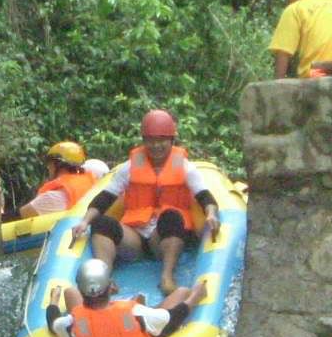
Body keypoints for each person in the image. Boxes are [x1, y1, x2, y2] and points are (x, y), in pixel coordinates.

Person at [70, 109, 220, 294]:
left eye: (162, 140)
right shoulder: (130, 167)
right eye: (151, 140)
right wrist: (85, 221)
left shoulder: (186, 168)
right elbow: (105, 198)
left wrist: (211, 214)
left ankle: (167, 277)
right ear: (144, 140)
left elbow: (205, 196)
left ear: (171, 140)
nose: (156, 145)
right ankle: (105, 279)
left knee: (173, 216)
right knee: (101, 223)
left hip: (163, 240)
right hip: (136, 239)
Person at [46, 258, 208, 337]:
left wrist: (54, 300)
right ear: (110, 287)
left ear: (82, 291)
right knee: (183, 292)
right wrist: (195, 297)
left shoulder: (71, 323)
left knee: (69, 293)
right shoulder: (132, 311)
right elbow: (174, 317)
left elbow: (53, 322)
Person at [18, 141, 96, 218]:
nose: (48, 167)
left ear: (57, 164)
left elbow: (22, 214)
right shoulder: (91, 183)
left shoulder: (54, 197)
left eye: (49, 163)